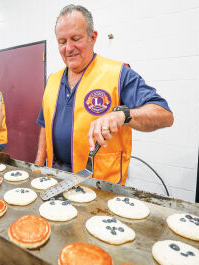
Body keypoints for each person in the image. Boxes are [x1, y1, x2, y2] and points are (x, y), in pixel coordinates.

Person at [35, 5, 174, 185]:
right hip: (55, 176)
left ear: (93, 37)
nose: (69, 48)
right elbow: (45, 125)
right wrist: (38, 165)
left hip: (99, 183)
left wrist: (123, 115)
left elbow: (165, 115)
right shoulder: (52, 80)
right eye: (62, 42)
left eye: (76, 39)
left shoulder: (118, 74)